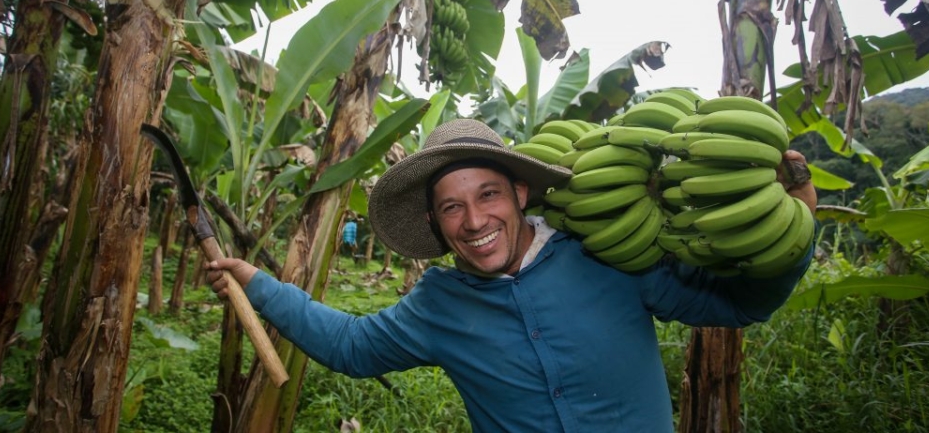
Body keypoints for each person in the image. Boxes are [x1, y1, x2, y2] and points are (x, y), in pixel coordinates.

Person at [207, 118, 817, 432]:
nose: (475, 221)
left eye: (489, 195)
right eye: (452, 206)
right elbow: (351, 345)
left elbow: (740, 305)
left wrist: (790, 229)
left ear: (521, 192)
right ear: (436, 221)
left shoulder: (606, 254)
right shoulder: (437, 304)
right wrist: (257, 284)